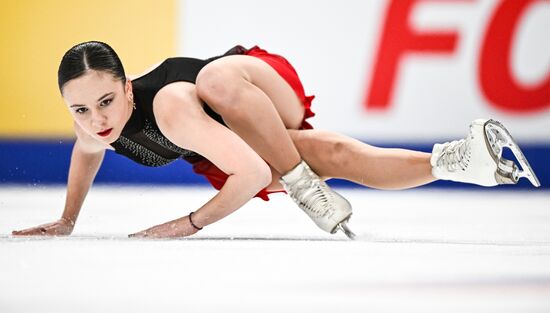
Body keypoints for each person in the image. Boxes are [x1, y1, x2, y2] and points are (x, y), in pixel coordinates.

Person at [11, 41, 540, 240]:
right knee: (334, 155)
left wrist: (187, 224)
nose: (97, 120)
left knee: (216, 80)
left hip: (253, 90)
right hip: (234, 147)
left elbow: (252, 175)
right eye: (80, 109)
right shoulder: (94, 128)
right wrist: (67, 219)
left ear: (127, 88)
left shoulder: (168, 106)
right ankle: (464, 161)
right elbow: (86, 155)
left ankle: (306, 188)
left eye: (106, 101)